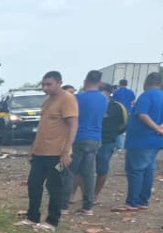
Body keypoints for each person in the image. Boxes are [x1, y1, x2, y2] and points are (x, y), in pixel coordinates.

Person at [17, 71, 77, 230]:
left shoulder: (67, 99)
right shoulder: (47, 101)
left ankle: (52, 221)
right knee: (34, 184)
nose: (45, 88)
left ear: (59, 83)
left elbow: (73, 125)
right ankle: (32, 217)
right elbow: (42, 127)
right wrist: (32, 149)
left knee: (55, 186)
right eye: (43, 85)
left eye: (49, 84)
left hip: (58, 154)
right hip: (41, 152)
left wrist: (66, 151)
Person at [114, 71, 163, 212]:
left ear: (146, 83)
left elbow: (142, 114)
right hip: (156, 141)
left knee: (136, 170)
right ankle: (143, 201)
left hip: (141, 140)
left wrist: (155, 127)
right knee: (149, 170)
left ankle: (132, 202)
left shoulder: (146, 96)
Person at [67, 71, 109, 216]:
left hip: (78, 139)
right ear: (100, 83)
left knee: (68, 170)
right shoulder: (104, 99)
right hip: (95, 139)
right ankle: (88, 206)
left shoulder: (77, 98)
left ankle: (63, 204)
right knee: (89, 173)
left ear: (85, 81)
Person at [94, 84, 128, 203]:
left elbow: (124, 123)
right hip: (90, 140)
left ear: (109, 93)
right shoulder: (92, 104)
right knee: (82, 169)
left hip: (107, 142)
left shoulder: (117, 107)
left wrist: (113, 134)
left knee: (102, 170)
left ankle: (95, 195)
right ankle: (77, 193)